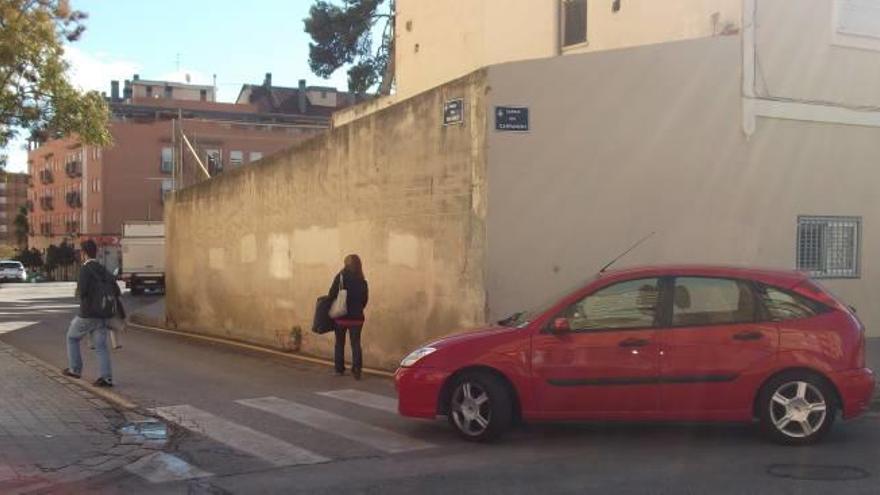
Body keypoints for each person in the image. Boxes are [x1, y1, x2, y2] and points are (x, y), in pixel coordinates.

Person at [62, 240, 120, 387]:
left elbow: (82, 292)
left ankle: (75, 369)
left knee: (71, 337)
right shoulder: (102, 268)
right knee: (101, 346)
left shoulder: (85, 269)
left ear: (83, 253)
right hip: (104, 314)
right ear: (96, 252)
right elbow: (117, 290)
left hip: (88, 314)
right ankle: (106, 378)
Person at [327, 254, 369, 380]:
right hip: (357, 318)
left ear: (346, 264)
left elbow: (331, 295)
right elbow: (364, 300)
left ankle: (339, 369)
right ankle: (357, 370)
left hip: (342, 317)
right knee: (356, 344)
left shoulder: (340, 277)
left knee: (339, 343)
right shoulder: (362, 281)